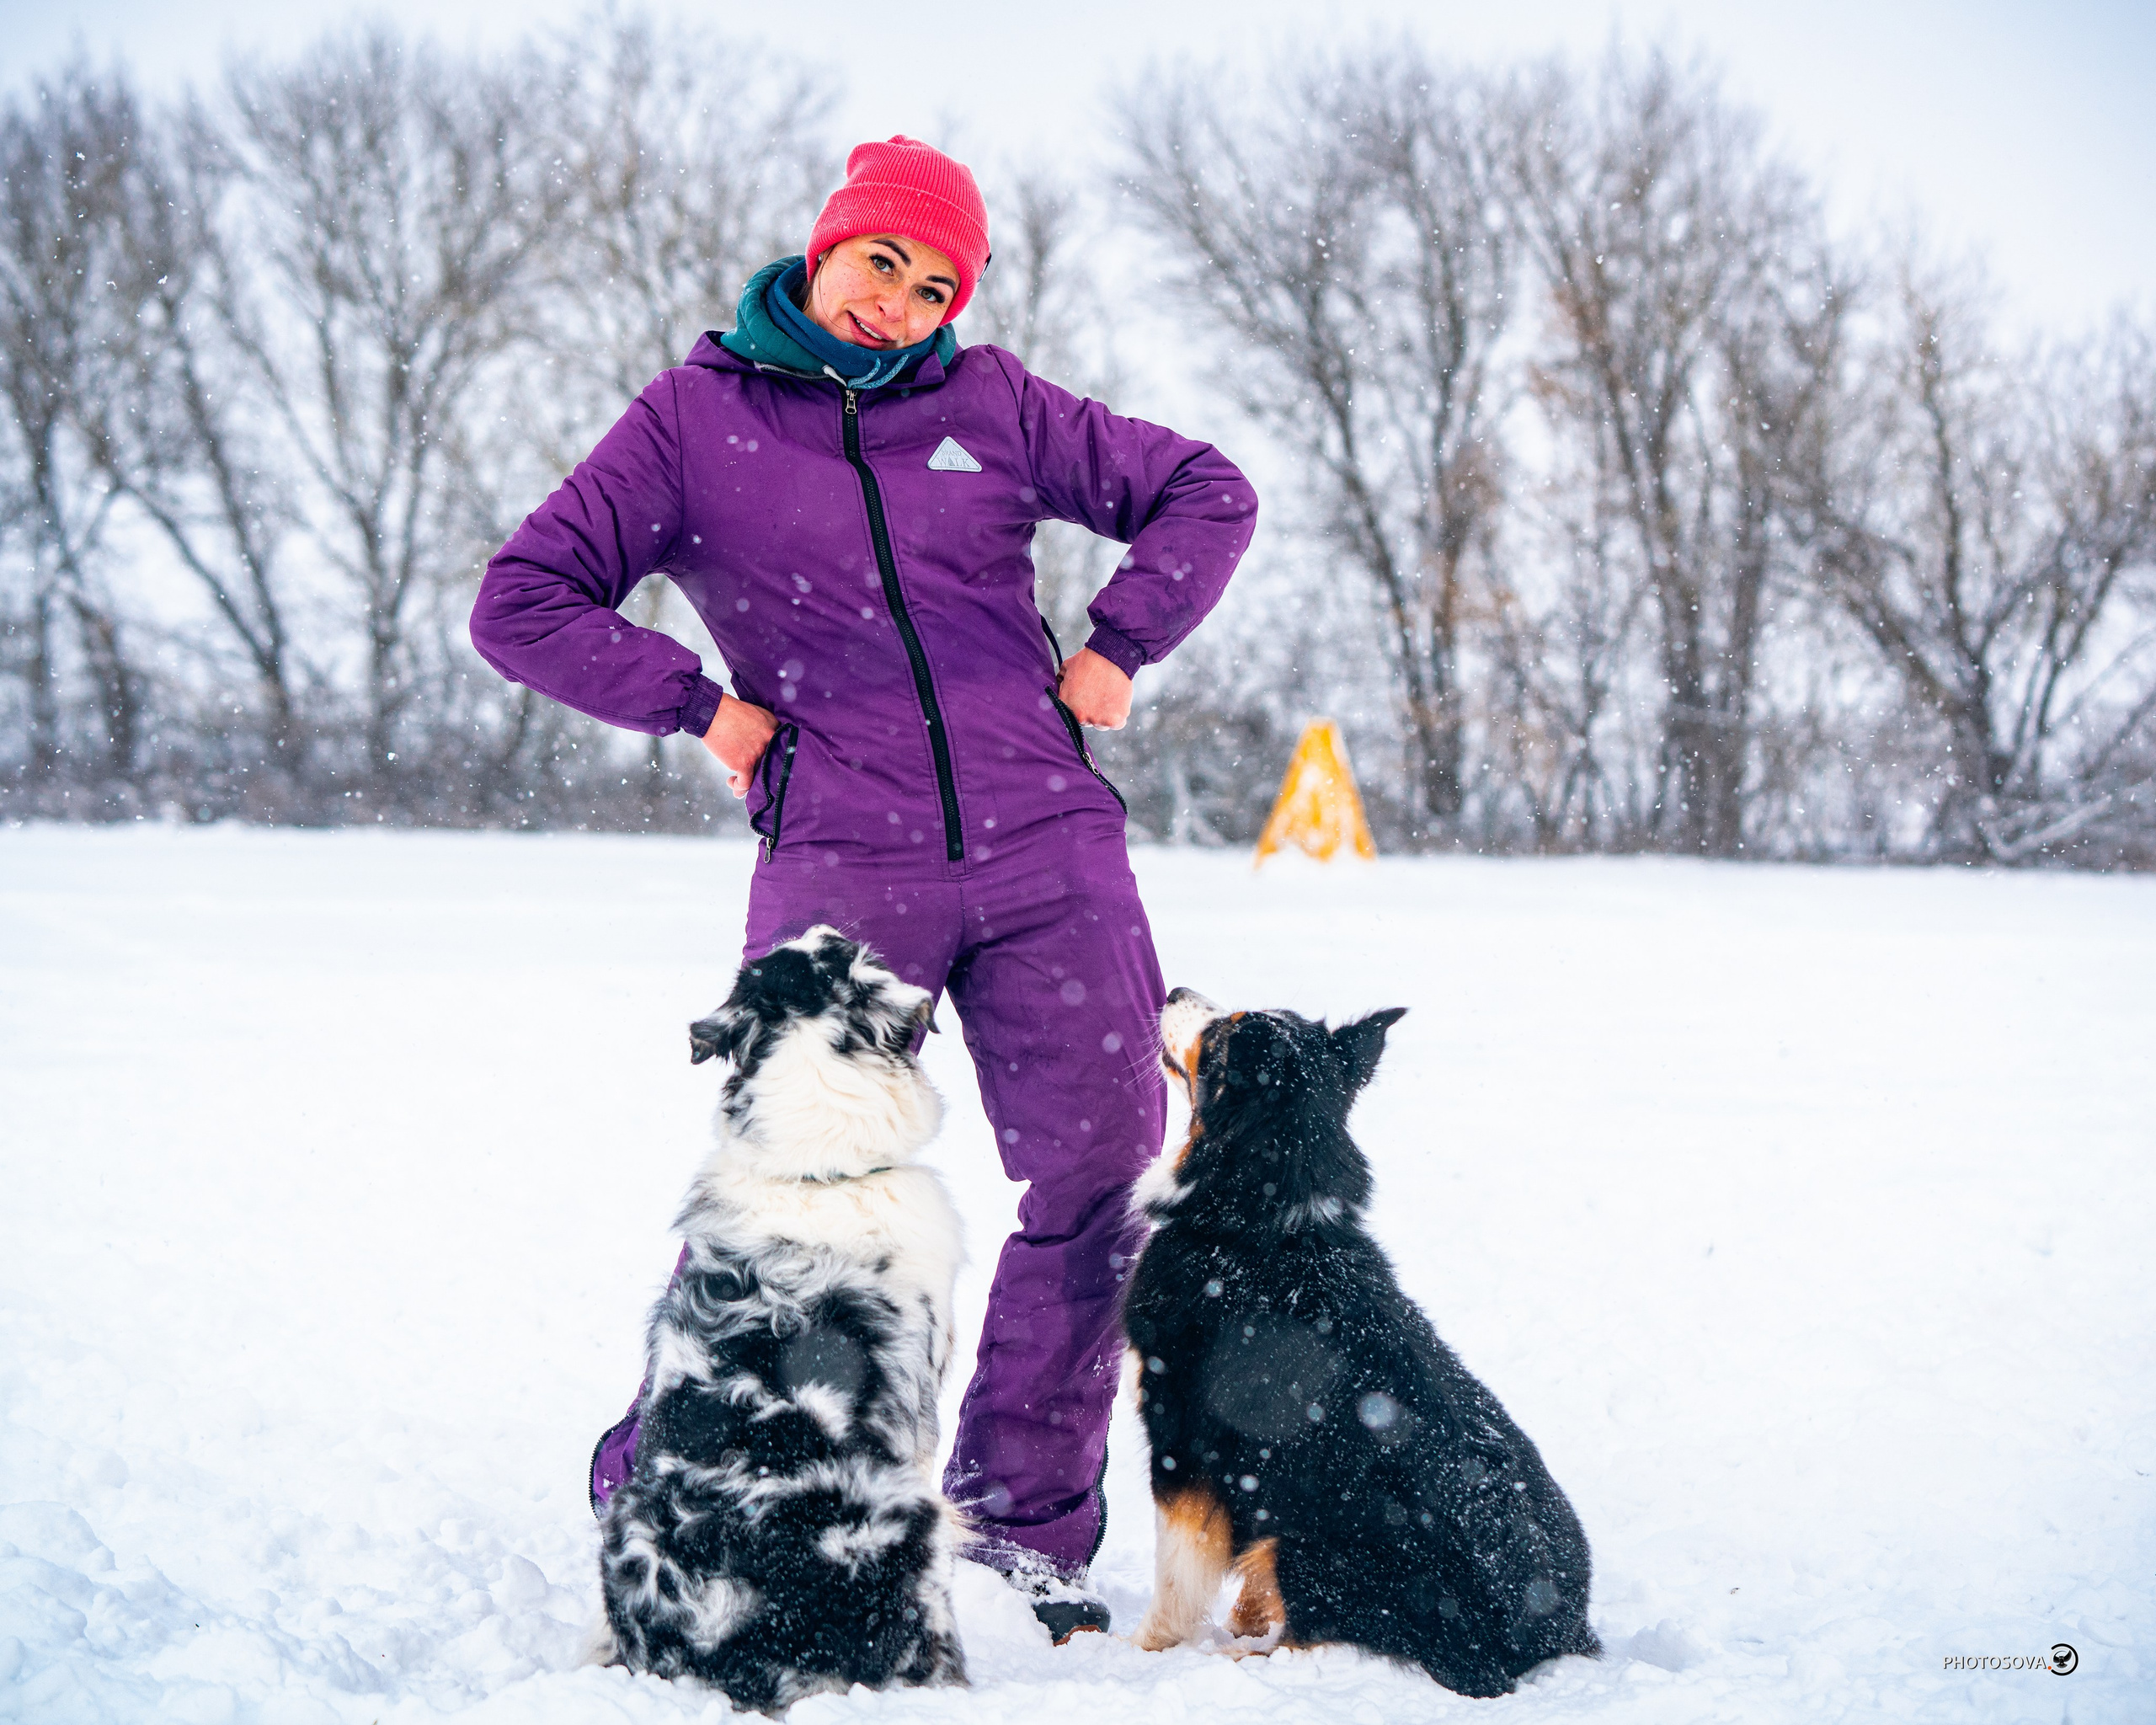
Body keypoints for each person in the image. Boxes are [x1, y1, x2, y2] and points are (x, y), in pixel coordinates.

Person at [470, 136, 1257, 1636]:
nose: (899, 301)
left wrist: (1120, 644)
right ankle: (673, 1484)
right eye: (882, 262)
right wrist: (702, 708)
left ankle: (1022, 1534)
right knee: (789, 1188)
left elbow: (1205, 490)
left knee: (1098, 1182)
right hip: (840, 851)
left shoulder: (993, 404)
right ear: (825, 249)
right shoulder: (693, 423)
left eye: (935, 285)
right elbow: (521, 602)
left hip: (1048, 848)